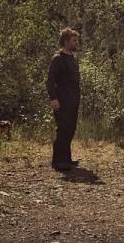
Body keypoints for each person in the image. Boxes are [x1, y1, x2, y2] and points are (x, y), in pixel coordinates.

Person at [47, 27, 82, 171]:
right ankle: (58, 162)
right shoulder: (58, 58)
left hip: (73, 101)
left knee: (70, 129)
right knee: (63, 129)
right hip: (61, 100)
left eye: (77, 40)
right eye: (74, 41)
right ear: (66, 42)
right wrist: (53, 99)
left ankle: (66, 159)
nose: (77, 43)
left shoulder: (72, 58)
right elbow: (50, 80)